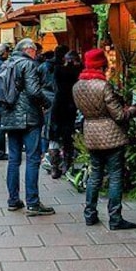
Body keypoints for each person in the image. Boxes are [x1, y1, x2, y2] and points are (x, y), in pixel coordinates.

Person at [72, 48, 136, 229]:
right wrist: (134, 110)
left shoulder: (78, 86)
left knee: (95, 174)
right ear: (101, 65)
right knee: (115, 176)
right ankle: (115, 218)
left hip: (91, 134)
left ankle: (89, 214)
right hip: (111, 135)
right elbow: (118, 115)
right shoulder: (103, 86)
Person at [0, 39, 55, 216]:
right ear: (29, 50)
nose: (36, 54)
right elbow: (33, 91)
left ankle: (13, 200)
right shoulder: (28, 64)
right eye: (35, 51)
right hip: (29, 118)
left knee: (14, 160)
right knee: (32, 159)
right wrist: (46, 103)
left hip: (9, 117)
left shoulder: (6, 64)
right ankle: (32, 202)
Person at [48, 48, 81, 179]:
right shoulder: (78, 72)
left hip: (58, 105)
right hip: (71, 106)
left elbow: (54, 86)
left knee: (55, 137)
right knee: (68, 137)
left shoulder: (57, 70)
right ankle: (66, 165)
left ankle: (54, 168)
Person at [37, 51, 57, 156]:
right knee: (51, 124)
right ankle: (50, 149)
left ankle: (44, 150)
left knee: (45, 124)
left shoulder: (41, 67)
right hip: (55, 96)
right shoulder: (58, 66)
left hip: (44, 95)